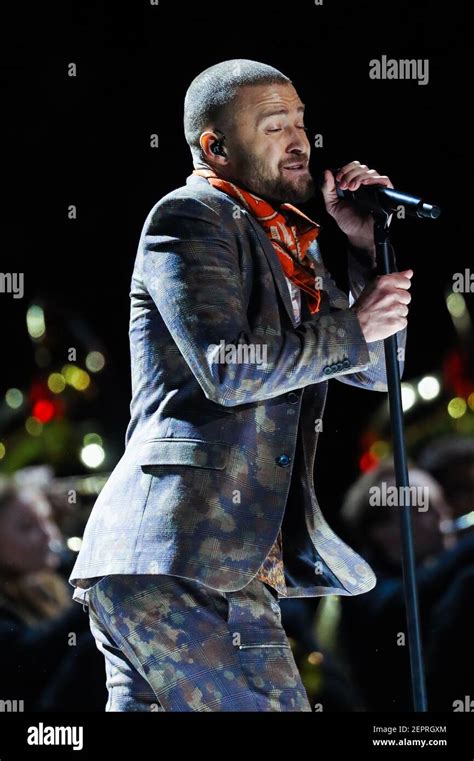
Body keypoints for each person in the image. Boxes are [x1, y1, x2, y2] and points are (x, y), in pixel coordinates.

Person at [69, 59, 412, 712]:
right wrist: (355, 325)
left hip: (209, 565)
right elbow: (227, 365)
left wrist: (366, 253)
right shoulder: (191, 216)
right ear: (215, 146)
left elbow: (374, 370)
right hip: (183, 551)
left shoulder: (291, 242)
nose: (299, 141)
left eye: (302, 123)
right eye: (274, 125)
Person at [0, 478, 106, 711]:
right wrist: (96, 594)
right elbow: (29, 653)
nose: (48, 534)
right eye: (27, 526)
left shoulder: (53, 577)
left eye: (47, 520)